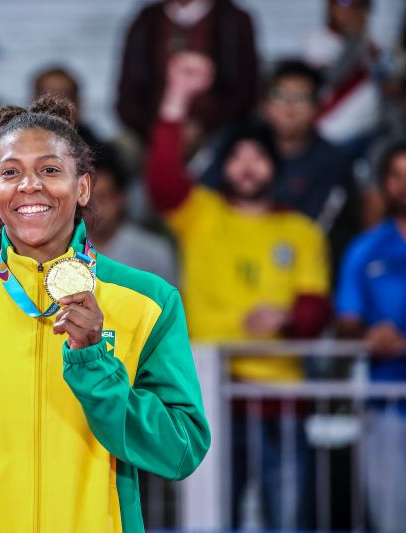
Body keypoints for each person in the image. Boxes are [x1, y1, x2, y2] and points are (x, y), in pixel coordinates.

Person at [0, 95, 210, 531]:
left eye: (50, 170)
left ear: (83, 187)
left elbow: (179, 451)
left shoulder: (147, 302)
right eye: (10, 172)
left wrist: (95, 366)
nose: (29, 185)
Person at [145, 52, 331, 530]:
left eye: (258, 157)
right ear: (225, 166)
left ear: (274, 166)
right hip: (210, 402)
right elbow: (163, 178)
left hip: (281, 401)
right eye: (237, 157)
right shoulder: (201, 214)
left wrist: (286, 319)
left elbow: (314, 313)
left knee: (288, 522)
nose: (247, 167)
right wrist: (177, 97)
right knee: (210, 521)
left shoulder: (302, 232)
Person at [201, 59, 361, 278]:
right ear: (265, 104)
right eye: (280, 95)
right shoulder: (236, 145)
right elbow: (201, 203)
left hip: (297, 271)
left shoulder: (332, 162)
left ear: (317, 107)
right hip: (228, 261)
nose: (290, 107)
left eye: (301, 98)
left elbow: (318, 232)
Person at [336, 141, 406, 533]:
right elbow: (346, 321)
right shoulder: (365, 249)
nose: (405, 185)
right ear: (384, 184)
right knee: (391, 520)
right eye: (397, 176)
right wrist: (368, 333)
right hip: (386, 407)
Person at [116, 0, 258, 143]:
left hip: (219, 134)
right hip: (150, 135)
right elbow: (127, 98)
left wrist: (202, 128)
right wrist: (158, 129)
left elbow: (246, 93)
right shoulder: (145, 20)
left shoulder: (234, 20)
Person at [88, 143, 178, 285]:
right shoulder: (67, 251)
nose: (95, 209)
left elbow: (170, 305)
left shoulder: (154, 253)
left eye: (102, 198)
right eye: (87, 200)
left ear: (120, 198)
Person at [304, 0, 382, 154]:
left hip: (371, 129)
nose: (352, 10)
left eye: (361, 5)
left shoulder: (369, 39)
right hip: (335, 132)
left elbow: (384, 79)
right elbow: (333, 78)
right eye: (346, 3)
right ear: (330, 7)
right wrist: (356, 37)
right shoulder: (317, 39)